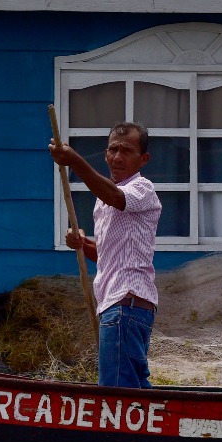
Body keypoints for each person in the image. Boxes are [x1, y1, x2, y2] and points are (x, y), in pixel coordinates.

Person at [49, 121, 162, 388]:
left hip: (126, 306)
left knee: (117, 396)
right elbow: (110, 257)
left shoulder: (141, 189)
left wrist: (75, 161)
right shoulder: (103, 200)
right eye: (113, 150)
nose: (118, 157)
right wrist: (82, 244)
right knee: (130, 391)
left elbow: (115, 196)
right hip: (118, 307)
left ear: (143, 159)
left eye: (126, 151)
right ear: (105, 154)